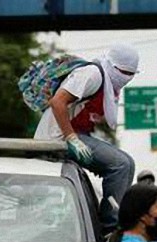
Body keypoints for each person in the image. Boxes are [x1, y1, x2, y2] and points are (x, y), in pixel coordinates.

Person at [34, 44, 139, 232]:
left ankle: (107, 219)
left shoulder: (107, 84)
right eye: (123, 72)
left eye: (131, 74)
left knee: (127, 163)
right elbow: (58, 102)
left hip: (73, 136)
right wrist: (71, 138)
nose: (126, 78)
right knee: (121, 165)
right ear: (112, 65)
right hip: (57, 138)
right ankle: (110, 227)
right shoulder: (93, 74)